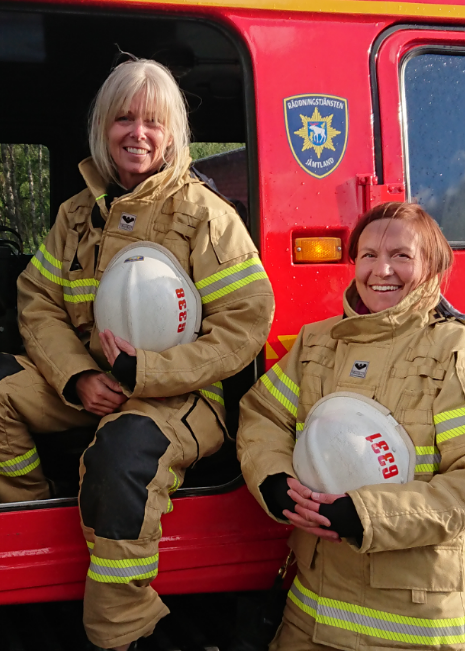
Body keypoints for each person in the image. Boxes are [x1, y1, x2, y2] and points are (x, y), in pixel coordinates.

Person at [0, 58, 274, 649]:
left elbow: (243, 324)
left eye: (152, 121)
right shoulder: (75, 216)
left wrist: (143, 374)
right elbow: (37, 302)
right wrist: (75, 378)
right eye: (123, 118)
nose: (137, 133)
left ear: (173, 132)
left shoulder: (205, 217)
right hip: (87, 386)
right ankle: (32, 538)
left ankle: (124, 632)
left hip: (177, 401)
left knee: (120, 461)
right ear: (104, 128)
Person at [237, 201, 465, 651]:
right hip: (311, 613)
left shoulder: (454, 352)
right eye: (368, 255)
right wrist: (273, 480)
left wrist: (364, 515)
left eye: (402, 255)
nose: (382, 269)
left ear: (433, 265)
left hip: (411, 627)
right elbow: (262, 416)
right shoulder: (318, 342)